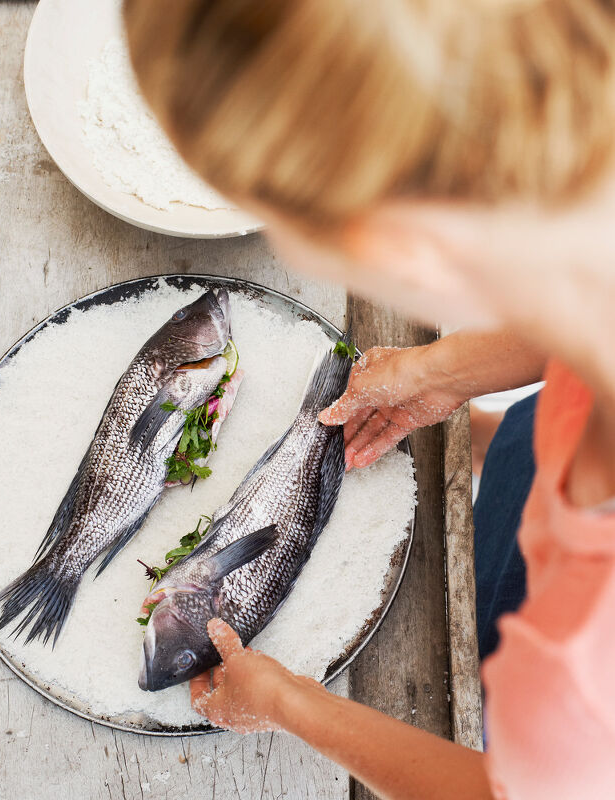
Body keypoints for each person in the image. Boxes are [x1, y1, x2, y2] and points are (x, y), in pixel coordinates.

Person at [124, 1, 615, 798]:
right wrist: (448, 371)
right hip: (564, 433)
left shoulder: (579, 671)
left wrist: (292, 704)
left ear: (395, 252)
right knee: (518, 468)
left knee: (496, 624)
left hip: (555, 671)